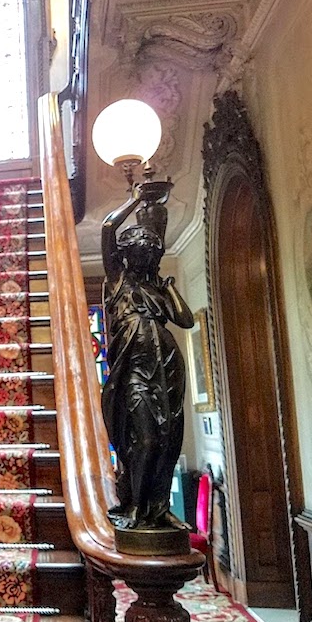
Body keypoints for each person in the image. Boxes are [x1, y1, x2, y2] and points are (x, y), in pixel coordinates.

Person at [101, 182, 194, 530]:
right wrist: (138, 199)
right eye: (140, 248)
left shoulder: (156, 286)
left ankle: (159, 508)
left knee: (168, 442)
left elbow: (185, 320)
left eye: (150, 250)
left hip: (168, 370)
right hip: (137, 373)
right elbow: (109, 228)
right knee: (147, 440)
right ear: (128, 253)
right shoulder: (118, 281)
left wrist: (169, 287)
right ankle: (136, 508)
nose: (145, 253)